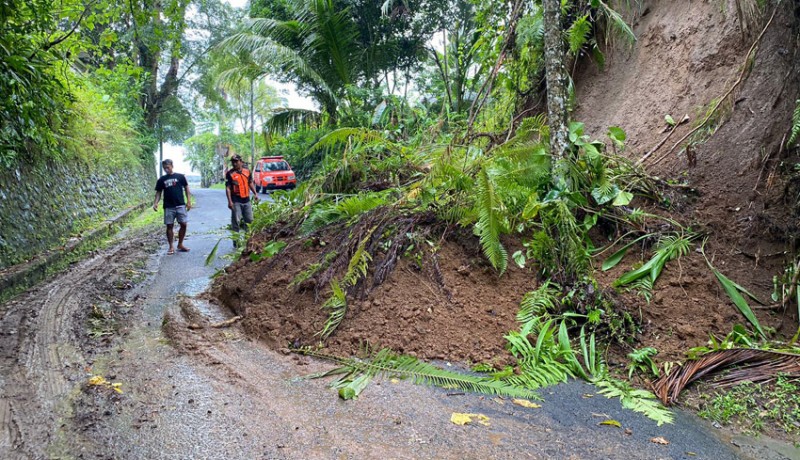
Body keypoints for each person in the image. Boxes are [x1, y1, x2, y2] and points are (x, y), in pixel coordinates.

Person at [153, 159, 191, 255]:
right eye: (165, 168)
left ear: (172, 166)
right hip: (168, 206)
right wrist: (155, 203)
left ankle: (180, 244)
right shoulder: (162, 179)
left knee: (183, 224)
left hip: (180, 204)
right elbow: (158, 192)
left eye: (168, 167)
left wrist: (189, 201)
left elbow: (186, 188)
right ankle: (171, 246)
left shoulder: (180, 176)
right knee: (169, 225)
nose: (166, 170)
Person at [225, 154, 259, 238]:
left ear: (241, 162)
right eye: (233, 162)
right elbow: (228, 188)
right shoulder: (230, 174)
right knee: (236, 221)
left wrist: (255, 193)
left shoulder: (247, 172)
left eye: (236, 162)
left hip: (246, 201)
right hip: (236, 201)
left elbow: (250, 182)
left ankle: (247, 239)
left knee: (249, 221)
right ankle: (236, 241)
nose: (234, 164)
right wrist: (229, 201)